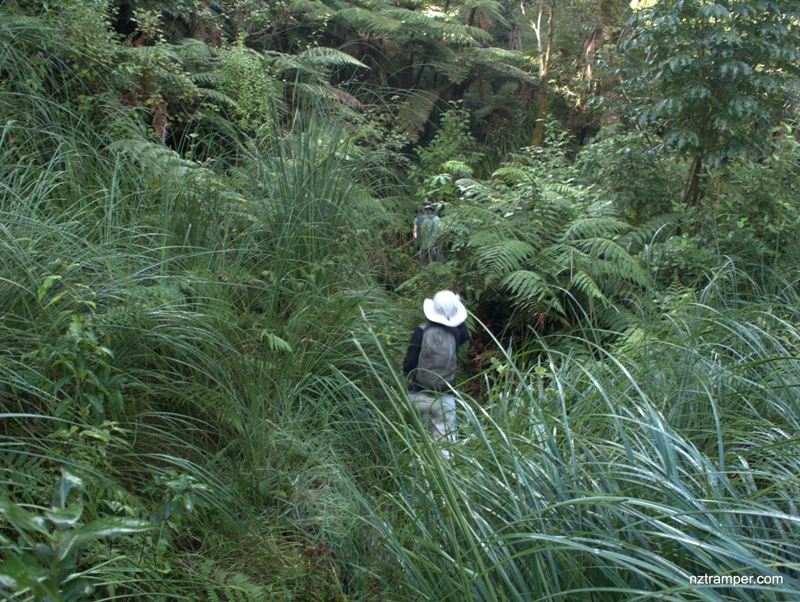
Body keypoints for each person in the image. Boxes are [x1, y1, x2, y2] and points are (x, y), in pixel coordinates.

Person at [402, 290, 469, 452]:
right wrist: (453, 313)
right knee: (444, 449)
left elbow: (409, 365)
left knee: (418, 447)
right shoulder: (459, 334)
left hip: (418, 395)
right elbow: (463, 330)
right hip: (444, 399)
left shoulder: (421, 332)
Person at [412, 201, 442, 266]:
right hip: (434, 243)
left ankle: (423, 272)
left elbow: (414, 232)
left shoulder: (417, 219)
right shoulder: (436, 218)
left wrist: (415, 242)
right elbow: (440, 230)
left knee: (423, 261)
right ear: (431, 209)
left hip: (422, 244)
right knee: (436, 261)